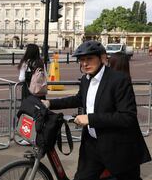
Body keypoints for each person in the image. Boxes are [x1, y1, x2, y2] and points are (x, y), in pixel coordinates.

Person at [42, 40, 151, 180]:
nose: (85, 64)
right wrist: (50, 103)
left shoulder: (118, 80)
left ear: (103, 58)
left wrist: (90, 118)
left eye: (89, 59)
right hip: (92, 145)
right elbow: (78, 99)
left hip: (118, 146)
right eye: (81, 60)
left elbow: (127, 117)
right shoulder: (86, 79)